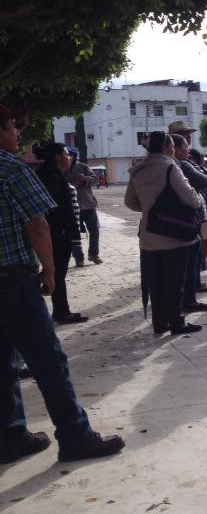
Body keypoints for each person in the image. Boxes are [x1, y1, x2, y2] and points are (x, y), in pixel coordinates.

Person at [0, 105, 125, 463]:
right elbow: (38, 225)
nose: (18, 134)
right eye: (12, 126)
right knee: (48, 360)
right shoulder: (11, 170)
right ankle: (75, 436)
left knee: (3, 362)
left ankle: (11, 436)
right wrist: (50, 271)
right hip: (13, 280)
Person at [125, 131, 204, 336]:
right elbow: (190, 198)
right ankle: (176, 322)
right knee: (174, 282)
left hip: (148, 235)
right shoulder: (170, 167)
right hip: (173, 234)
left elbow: (130, 203)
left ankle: (159, 323)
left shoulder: (137, 171)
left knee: (155, 282)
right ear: (167, 148)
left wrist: (149, 208)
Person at [34, 142, 88, 324]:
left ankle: (61, 310)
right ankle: (61, 312)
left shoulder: (52, 173)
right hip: (56, 235)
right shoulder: (51, 176)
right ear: (57, 156)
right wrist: (64, 232)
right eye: (66, 154)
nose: (70, 158)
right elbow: (54, 211)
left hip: (58, 233)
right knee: (56, 273)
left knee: (58, 273)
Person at [172, 134, 207, 314]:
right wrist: (195, 165)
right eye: (185, 148)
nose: (188, 152)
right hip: (189, 218)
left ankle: (186, 296)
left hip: (174, 220)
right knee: (190, 261)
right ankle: (189, 299)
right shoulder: (182, 165)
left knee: (183, 263)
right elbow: (206, 181)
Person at [67, 149, 102, 265]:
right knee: (73, 233)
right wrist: (74, 184)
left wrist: (85, 179)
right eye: (66, 155)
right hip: (71, 206)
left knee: (95, 230)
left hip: (88, 204)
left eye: (69, 155)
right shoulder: (61, 170)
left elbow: (96, 180)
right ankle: (78, 258)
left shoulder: (83, 166)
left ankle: (93, 254)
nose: (68, 158)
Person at [188, 148, 207, 277]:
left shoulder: (199, 171)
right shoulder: (199, 172)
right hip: (204, 209)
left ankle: (202, 262)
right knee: (203, 239)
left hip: (205, 209)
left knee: (203, 239)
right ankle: (202, 262)